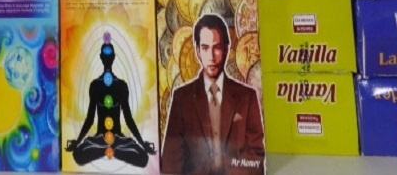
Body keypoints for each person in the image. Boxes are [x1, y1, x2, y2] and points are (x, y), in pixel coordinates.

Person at [161, 14, 264, 175]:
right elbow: (170, 164)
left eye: (217, 47)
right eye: (205, 48)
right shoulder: (181, 98)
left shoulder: (247, 97)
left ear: (226, 49)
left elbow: (256, 157)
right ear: (197, 51)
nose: (211, 56)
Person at [66, 33, 156, 168]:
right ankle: (108, 149)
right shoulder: (95, 85)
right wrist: (77, 142)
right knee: (78, 154)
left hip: (118, 138)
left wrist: (142, 144)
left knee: (143, 158)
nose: (107, 57)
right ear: (101, 57)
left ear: (113, 57)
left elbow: (128, 119)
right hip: (99, 138)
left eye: (110, 54)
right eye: (105, 54)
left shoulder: (121, 85)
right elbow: (90, 119)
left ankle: (110, 150)